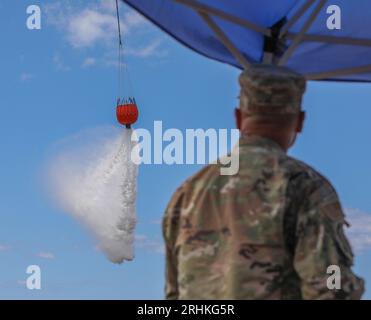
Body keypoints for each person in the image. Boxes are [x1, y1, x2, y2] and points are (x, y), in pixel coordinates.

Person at [162, 64, 364, 300]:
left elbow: (173, 294)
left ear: (238, 118)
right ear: (300, 122)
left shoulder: (187, 194)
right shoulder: (305, 186)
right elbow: (331, 288)